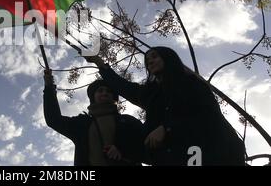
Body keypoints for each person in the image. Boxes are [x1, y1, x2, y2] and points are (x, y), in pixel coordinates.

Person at [85, 46, 246, 165]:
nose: (150, 62)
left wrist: (167, 128)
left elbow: (208, 115)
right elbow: (123, 86)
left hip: (209, 154)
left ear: (168, 58)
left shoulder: (191, 83)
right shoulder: (151, 94)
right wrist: (99, 62)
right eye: (147, 61)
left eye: (154, 57)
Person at [43, 69, 144, 166]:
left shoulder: (127, 121)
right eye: (100, 91)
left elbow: (147, 144)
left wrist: (123, 151)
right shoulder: (81, 124)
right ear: (93, 96)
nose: (104, 93)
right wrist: (49, 87)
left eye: (108, 91)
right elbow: (53, 119)